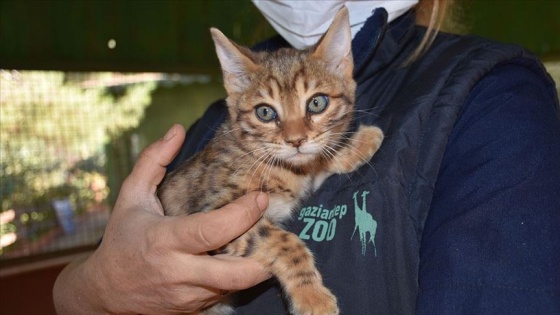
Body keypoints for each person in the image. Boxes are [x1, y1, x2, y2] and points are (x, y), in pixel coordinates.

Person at [54, 0, 560, 314]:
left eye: (315, 105)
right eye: (270, 114)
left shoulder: (493, 99)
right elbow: (98, 273)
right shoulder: (220, 126)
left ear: (343, 71)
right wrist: (93, 288)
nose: (295, 134)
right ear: (237, 91)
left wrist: (332, 157)